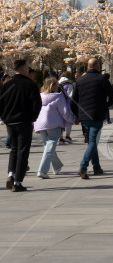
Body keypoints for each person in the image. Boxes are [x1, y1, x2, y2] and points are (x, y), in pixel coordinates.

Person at [0, 59, 42, 191]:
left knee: (14, 148)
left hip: (10, 122)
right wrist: (32, 118)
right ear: (23, 68)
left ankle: (11, 174)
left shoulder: (8, 84)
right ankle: (17, 182)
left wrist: (5, 117)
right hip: (23, 121)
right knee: (23, 151)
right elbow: (37, 104)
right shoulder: (30, 85)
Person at [72, 58, 113, 180]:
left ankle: (96, 167)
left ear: (88, 67)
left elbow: (74, 100)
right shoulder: (102, 79)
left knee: (92, 140)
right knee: (93, 141)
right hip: (97, 114)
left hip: (84, 116)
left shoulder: (80, 80)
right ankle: (83, 166)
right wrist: (105, 106)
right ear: (97, 66)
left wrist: (75, 115)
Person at [34, 77, 75, 178]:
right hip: (53, 124)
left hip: (40, 124)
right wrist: (74, 119)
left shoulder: (40, 96)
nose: (58, 86)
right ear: (53, 85)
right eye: (57, 84)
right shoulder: (58, 97)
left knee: (47, 147)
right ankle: (42, 171)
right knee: (50, 147)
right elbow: (65, 112)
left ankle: (56, 167)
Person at [58, 71, 76, 143]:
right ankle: (68, 136)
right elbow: (71, 95)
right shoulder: (69, 84)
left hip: (59, 104)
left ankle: (61, 137)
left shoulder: (58, 84)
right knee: (69, 120)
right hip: (68, 104)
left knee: (60, 120)